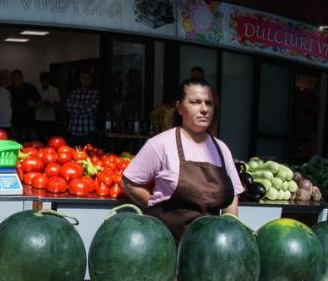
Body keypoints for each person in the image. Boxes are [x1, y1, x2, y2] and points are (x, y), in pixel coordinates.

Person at [123, 77, 243, 240]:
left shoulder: (221, 149)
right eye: (195, 102)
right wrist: (153, 203)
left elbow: (233, 196)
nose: (204, 109)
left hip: (208, 248)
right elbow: (128, 182)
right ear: (180, 107)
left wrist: (231, 231)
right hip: (167, 246)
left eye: (209, 103)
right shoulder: (161, 144)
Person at [66, 70, 99, 145]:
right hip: (73, 130)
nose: (85, 80)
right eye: (83, 77)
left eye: (88, 78)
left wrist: (76, 107)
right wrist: (84, 107)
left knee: (89, 155)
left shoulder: (95, 93)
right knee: (71, 155)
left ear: (91, 80)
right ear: (79, 79)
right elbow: (68, 107)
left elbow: (92, 107)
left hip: (88, 131)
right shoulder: (73, 92)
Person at [9, 70, 41, 142]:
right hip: (15, 123)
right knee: (16, 145)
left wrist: (34, 105)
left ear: (21, 78)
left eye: (16, 79)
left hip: (29, 123)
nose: (14, 81)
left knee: (33, 145)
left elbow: (40, 102)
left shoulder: (30, 88)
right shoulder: (9, 90)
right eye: (13, 79)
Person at [35, 72, 61, 142]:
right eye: (43, 81)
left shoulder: (54, 90)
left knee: (51, 139)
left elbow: (58, 105)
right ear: (41, 81)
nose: (45, 83)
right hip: (39, 118)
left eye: (47, 81)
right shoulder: (36, 89)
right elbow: (32, 105)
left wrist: (50, 104)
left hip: (51, 119)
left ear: (49, 81)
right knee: (40, 139)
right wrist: (40, 104)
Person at [0, 70, 13, 136]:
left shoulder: (9, 91)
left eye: (9, 78)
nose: (7, 80)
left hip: (9, 124)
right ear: (0, 78)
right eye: (5, 77)